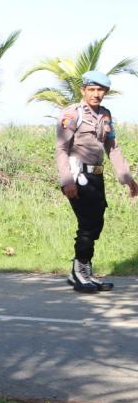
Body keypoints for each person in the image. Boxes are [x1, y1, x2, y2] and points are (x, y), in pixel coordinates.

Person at [55, 70, 138, 293]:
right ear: (83, 90)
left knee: (96, 223)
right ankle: (79, 272)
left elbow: (113, 147)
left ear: (106, 92)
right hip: (77, 176)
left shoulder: (105, 115)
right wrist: (66, 181)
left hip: (96, 176)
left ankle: (83, 271)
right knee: (88, 223)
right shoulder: (72, 114)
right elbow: (61, 148)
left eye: (100, 90)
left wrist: (127, 178)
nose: (96, 93)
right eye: (91, 89)